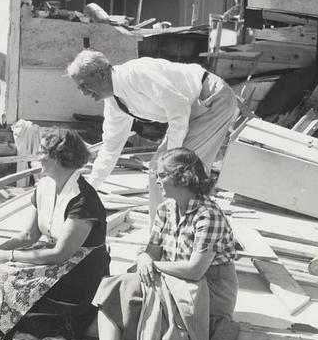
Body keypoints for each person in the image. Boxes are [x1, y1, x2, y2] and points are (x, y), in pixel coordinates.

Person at [82, 148, 239, 340]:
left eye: (162, 175)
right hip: (175, 277)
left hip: (210, 286)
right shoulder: (166, 209)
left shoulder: (208, 215)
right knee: (117, 284)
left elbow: (196, 270)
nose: (157, 180)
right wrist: (144, 258)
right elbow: (152, 251)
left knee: (164, 291)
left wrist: (154, 266)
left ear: (182, 177)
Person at [0, 129, 110, 340]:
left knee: (5, 275)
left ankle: (38, 333)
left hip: (80, 269)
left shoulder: (83, 199)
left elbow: (61, 253)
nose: (37, 156)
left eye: (42, 151)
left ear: (60, 155)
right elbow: (27, 236)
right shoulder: (44, 187)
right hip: (52, 256)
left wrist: (8, 257)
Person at [65, 49, 238, 227]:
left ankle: (188, 232)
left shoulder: (136, 74)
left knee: (182, 174)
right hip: (192, 108)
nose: (84, 93)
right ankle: (162, 236)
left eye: (84, 85)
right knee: (161, 171)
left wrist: (172, 157)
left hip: (212, 99)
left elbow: (179, 108)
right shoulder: (114, 102)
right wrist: (90, 188)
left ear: (101, 73)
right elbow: (111, 147)